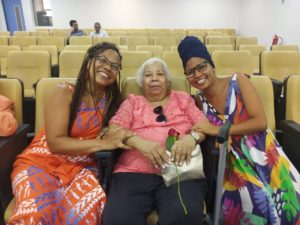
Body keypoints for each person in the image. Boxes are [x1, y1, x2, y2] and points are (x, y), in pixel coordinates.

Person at [7, 42, 134, 224]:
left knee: (84, 211)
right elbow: (55, 143)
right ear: (89, 61)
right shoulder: (65, 92)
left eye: (114, 66)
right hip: (42, 161)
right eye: (103, 60)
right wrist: (104, 143)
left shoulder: (113, 101)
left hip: (83, 166)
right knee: (36, 212)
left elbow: (120, 128)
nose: (108, 67)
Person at [178, 36, 300, 225]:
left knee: (290, 202)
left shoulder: (239, 81)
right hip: (232, 161)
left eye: (202, 67)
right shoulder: (198, 101)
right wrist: (212, 136)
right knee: (251, 205)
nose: (198, 74)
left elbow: (260, 122)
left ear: (211, 65)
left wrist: (219, 129)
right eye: (190, 72)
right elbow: (202, 129)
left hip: (262, 151)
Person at [102, 58, 208, 225]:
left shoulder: (184, 99)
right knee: (118, 220)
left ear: (167, 81)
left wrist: (191, 138)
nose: (154, 78)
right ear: (141, 82)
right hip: (133, 173)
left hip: (180, 171)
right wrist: (139, 142)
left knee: (183, 216)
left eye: (160, 74)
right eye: (148, 75)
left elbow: (204, 126)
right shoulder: (132, 102)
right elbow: (114, 129)